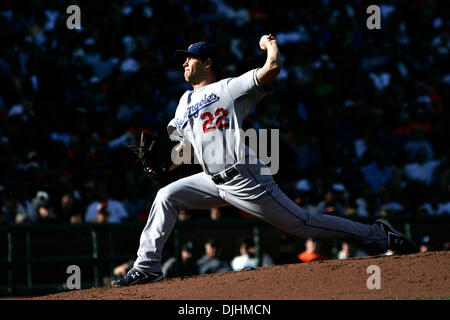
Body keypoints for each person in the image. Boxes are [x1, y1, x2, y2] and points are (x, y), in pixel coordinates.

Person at [113, 36, 418, 286]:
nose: (184, 62)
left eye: (190, 58)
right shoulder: (184, 102)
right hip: (211, 180)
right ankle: (148, 266)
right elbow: (188, 148)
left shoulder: (228, 88)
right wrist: (166, 165)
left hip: (246, 177)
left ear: (207, 63)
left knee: (303, 224)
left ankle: (378, 235)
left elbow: (271, 68)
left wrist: (268, 43)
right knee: (166, 195)